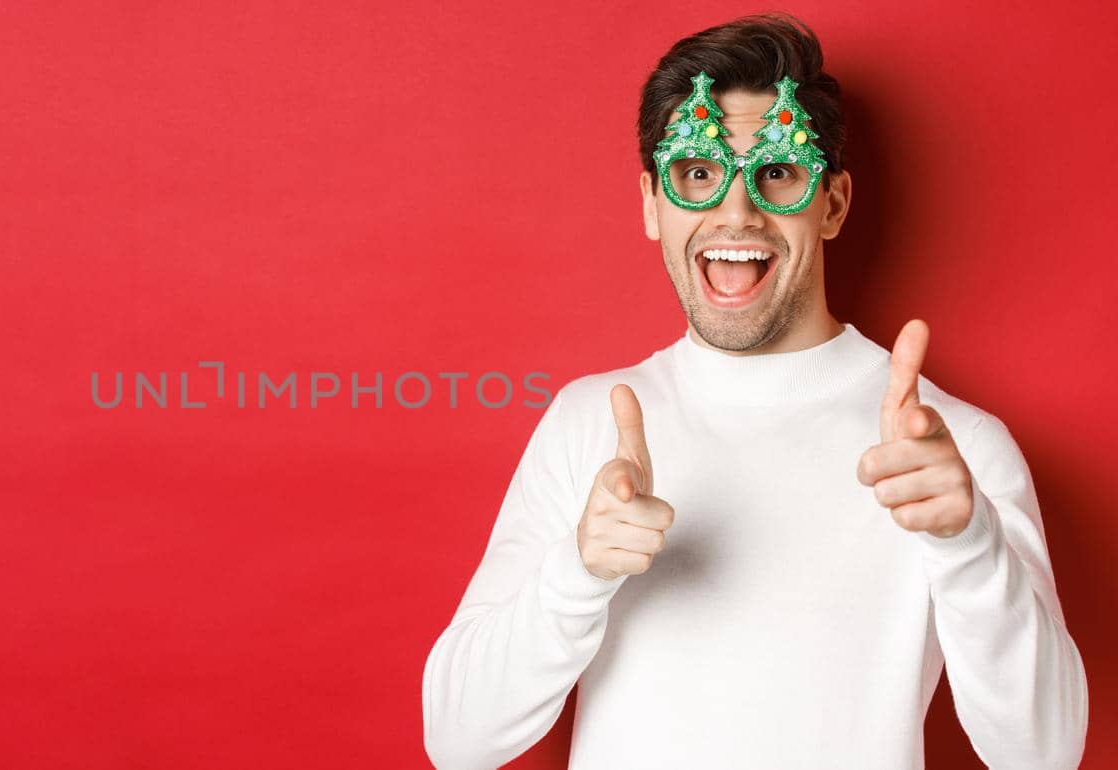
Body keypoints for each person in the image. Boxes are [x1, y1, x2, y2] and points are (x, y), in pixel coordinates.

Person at [420, 13, 1088, 770]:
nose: (735, 213)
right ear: (651, 204)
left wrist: (968, 543)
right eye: (698, 173)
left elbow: (1046, 756)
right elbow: (456, 741)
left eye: (777, 170)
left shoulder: (953, 455)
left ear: (832, 203)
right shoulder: (589, 422)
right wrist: (578, 574)